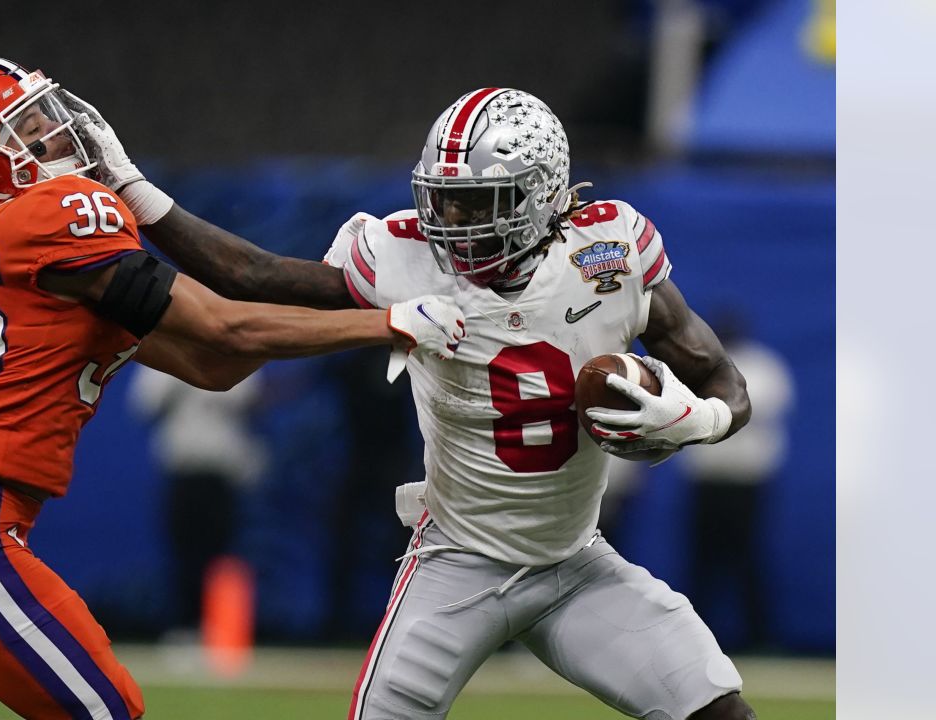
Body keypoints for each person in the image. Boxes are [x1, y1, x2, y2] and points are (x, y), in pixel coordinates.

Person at [0, 56, 467, 720]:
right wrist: (389, 322)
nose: (57, 135)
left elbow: (212, 366)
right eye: (27, 129)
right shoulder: (52, 213)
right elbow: (226, 330)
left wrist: (355, 322)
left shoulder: (11, 239)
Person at [78, 88, 758, 719]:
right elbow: (251, 275)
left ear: (543, 194)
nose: (452, 222)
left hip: (577, 564)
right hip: (456, 565)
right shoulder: (407, 256)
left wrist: (695, 420)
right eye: (446, 199)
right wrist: (133, 191)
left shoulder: (610, 253)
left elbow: (725, 385)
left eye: (478, 202)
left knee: (719, 708)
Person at [681, 310, 794, 650]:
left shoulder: (762, 367)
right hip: (707, 481)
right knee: (702, 561)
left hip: (747, 482)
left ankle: (759, 639)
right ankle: (692, 639)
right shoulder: (693, 364)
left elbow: (750, 412)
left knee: (747, 559)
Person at [128, 364, 267, 636]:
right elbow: (143, 404)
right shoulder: (165, 354)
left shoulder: (233, 350)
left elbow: (250, 399)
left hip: (222, 472)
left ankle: (220, 628)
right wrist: (183, 369)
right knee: (183, 551)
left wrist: (209, 369)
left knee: (221, 553)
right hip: (182, 470)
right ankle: (184, 627)